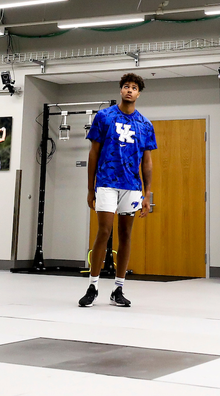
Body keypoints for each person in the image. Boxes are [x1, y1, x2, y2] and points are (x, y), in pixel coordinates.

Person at [79, 73, 156, 309]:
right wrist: (90, 188)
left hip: (132, 187)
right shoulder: (104, 117)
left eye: (134, 87)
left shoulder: (145, 124)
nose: (129, 90)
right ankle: (93, 286)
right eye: (125, 87)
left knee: (126, 235)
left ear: (139, 93)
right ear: (120, 90)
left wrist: (147, 194)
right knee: (104, 231)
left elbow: (148, 162)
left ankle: (118, 288)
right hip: (106, 182)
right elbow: (93, 153)